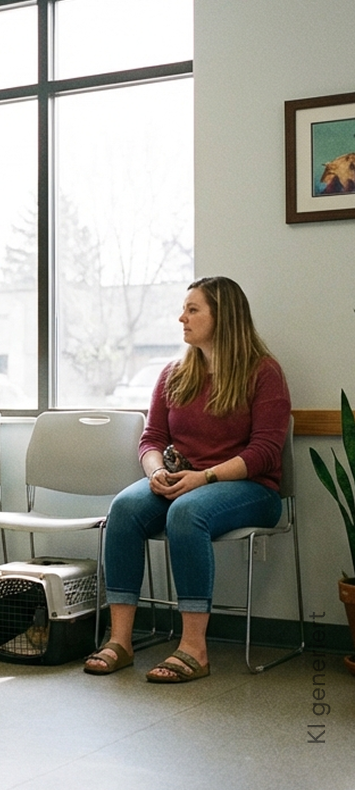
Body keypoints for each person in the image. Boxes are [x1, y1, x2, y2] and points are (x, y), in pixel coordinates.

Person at [85, 276, 290, 682]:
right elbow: (151, 439)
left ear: (223, 315)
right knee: (124, 508)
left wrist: (205, 477)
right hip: (182, 482)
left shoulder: (263, 372)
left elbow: (265, 451)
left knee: (186, 513)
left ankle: (194, 647)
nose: (182, 317)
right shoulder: (174, 373)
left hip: (253, 489)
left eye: (193, 309)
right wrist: (157, 471)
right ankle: (120, 640)